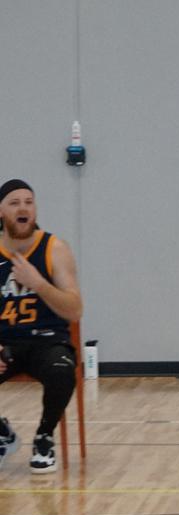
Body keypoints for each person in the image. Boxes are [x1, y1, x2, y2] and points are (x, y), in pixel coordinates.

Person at [0, 179, 84, 474]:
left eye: (28, 202)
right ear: (1, 212)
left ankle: (44, 437)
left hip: (47, 341)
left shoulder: (54, 248)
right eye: (14, 203)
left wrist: (38, 283)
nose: (23, 208)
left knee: (62, 371)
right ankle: (3, 434)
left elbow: (75, 310)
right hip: (5, 343)